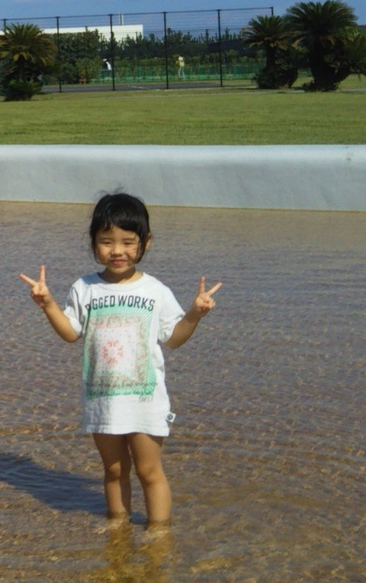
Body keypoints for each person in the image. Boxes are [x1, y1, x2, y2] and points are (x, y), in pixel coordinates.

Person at [18, 192, 219, 527]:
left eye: (128, 242)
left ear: (146, 243)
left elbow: (173, 340)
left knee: (148, 470)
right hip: (103, 398)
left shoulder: (155, 291)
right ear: (93, 242)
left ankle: (158, 532)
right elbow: (71, 333)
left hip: (144, 399)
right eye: (107, 241)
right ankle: (117, 527)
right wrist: (48, 304)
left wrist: (195, 315)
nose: (117, 251)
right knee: (113, 470)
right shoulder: (85, 288)